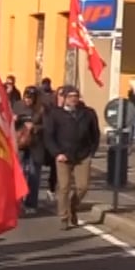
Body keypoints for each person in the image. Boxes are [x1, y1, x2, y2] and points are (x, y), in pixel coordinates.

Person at [44, 86, 100, 229]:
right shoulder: (55, 114)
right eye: (70, 97)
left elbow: (95, 133)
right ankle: (64, 216)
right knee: (64, 187)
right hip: (64, 156)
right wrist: (57, 153)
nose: (73, 99)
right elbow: (49, 136)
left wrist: (91, 151)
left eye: (76, 96)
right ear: (64, 99)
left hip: (83, 155)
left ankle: (73, 206)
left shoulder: (88, 113)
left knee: (83, 186)